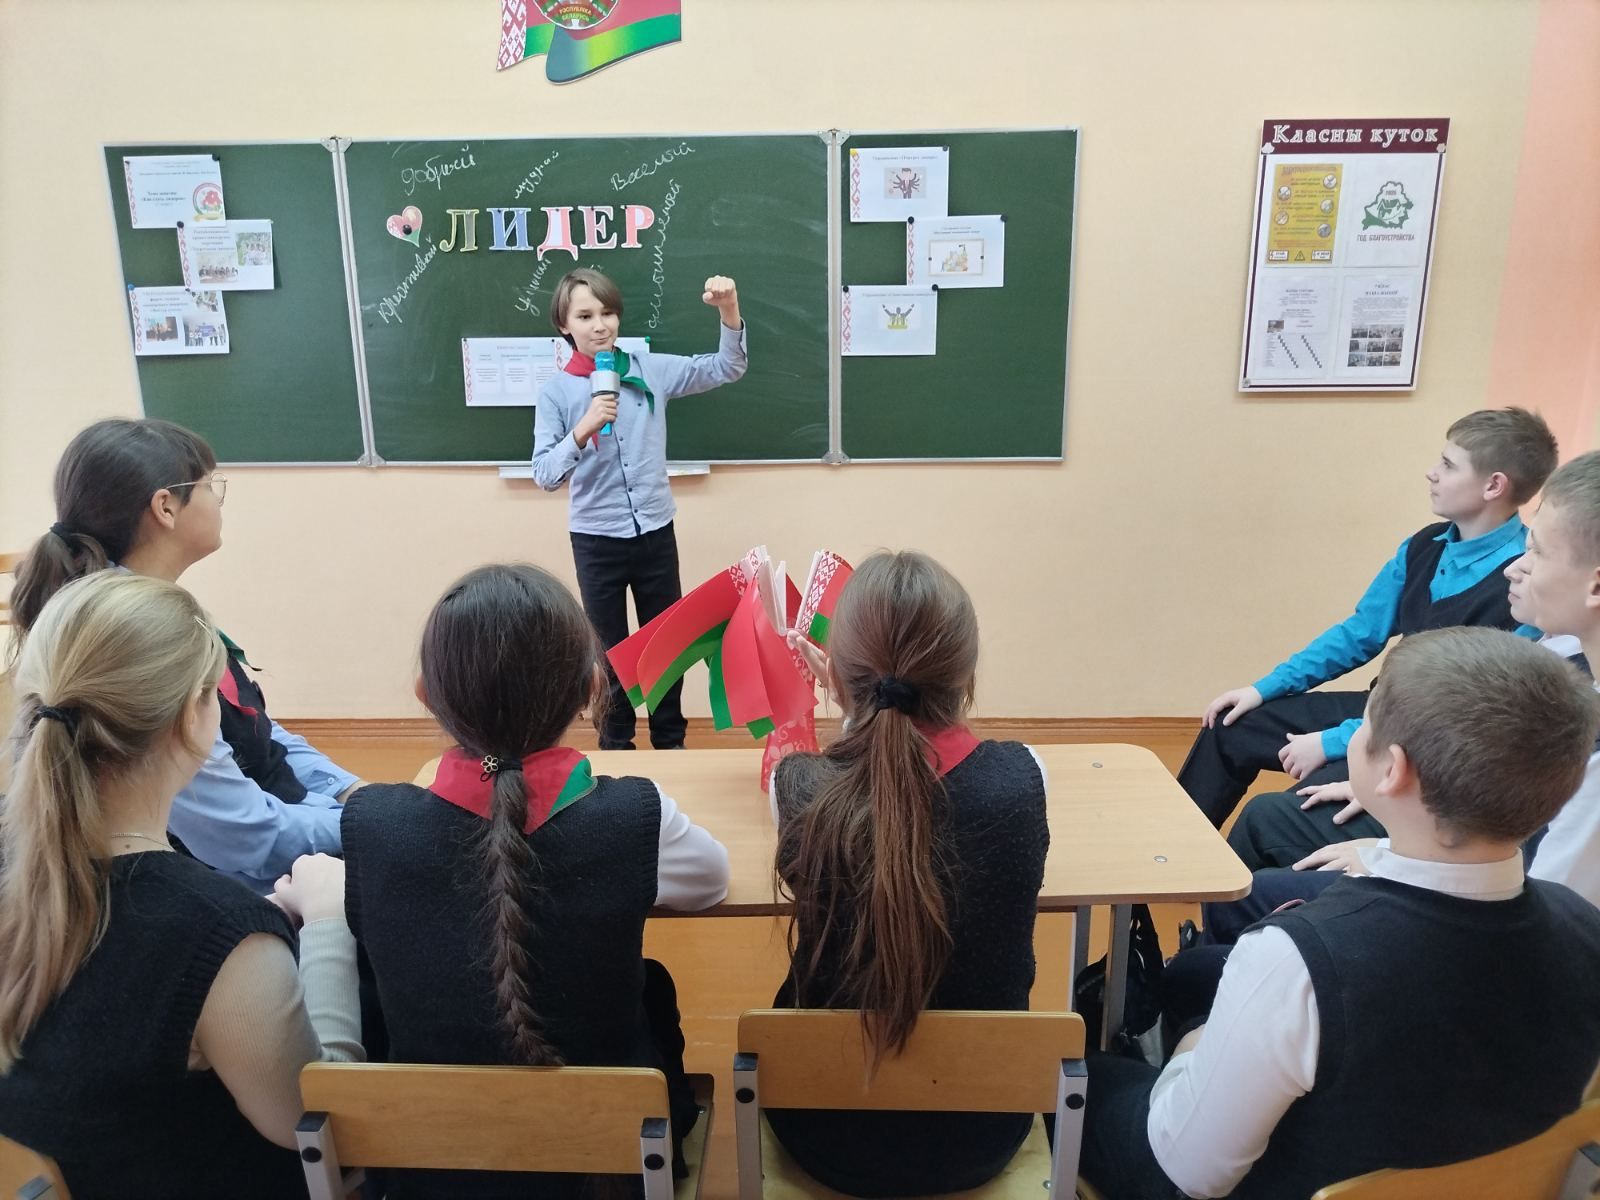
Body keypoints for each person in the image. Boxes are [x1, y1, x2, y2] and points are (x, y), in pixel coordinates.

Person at [1083, 627, 1600, 1200]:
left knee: (1078, 1072)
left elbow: (1191, 1170)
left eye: (1363, 725)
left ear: (1392, 770)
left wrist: (1192, 1053)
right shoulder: (1585, 927)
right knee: (1192, 977)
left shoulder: (1294, 960)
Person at [340, 563, 728, 1198]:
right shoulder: (635, 814)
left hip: (432, 1174)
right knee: (651, 984)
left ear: (424, 694)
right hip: (607, 1173)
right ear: (592, 690)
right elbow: (711, 880)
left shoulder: (373, 824)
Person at [0, 572, 361, 1199]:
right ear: (194, 718)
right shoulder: (216, 932)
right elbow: (322, 1125)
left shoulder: (195, 923)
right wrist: (328, 924)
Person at [766, 551, 1050, 1196]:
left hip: (825, 1131)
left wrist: (850, 708)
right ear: (966, 678)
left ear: (837, 678)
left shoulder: (799, 788)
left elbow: (875, 765)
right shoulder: (1023, 779)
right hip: (983, 1131)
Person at [9, 418, 361, 891]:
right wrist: (365, 821)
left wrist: (348, 790)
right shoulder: (133, 641)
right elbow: (244, 835)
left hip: (274, 829)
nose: (218, 499)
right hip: (233, 885)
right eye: (209, 485)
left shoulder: (156, 609)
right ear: (166, 507)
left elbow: (255, 725)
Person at [1179, 407, 1557, 832]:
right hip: (1380, 710)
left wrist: (1332, 742)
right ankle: (1164, 862)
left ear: (1493, 485)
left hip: (1425, 742)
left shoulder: (1523, 583)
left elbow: (1456, 712)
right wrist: (1262, 689)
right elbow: (1359, 633)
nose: (1431, 473)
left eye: (1448, 465)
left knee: (1281, 815)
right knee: (1230, 726)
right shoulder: (1423, 545)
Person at [531, 267, 747, 750]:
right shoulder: (556, 393)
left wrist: (729, 310)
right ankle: (617, 746)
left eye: (607, 313)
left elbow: (725, 367)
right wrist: (583, 429)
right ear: (564, 325)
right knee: (609, 652)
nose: (599, 325)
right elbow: (544, 474)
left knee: (667, 645)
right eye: (585, 316)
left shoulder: (648, 370)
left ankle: (671, 741)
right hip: (596, 540)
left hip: (655, 532)